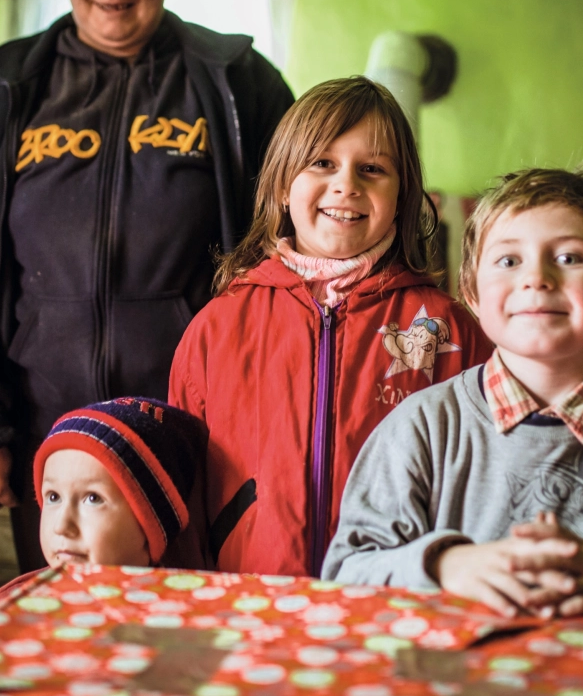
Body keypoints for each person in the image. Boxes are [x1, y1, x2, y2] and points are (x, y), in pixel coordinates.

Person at [0, 0, 294, 573]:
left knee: (186, 648)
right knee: (60, 651)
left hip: (194, 444)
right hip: (43, 447)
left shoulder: (241, 88)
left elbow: (284, 262)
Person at [322, 166, 583, 686]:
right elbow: (344, 582)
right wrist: (445, 565)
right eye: (508, 259)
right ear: (472, 293)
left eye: (569, 257)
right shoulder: (418, 430)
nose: (536, 278)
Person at [168, 76, 493, 577]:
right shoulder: (218, 327)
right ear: (281, 185)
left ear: (403, 195)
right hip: (252, 599)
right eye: (322, 163)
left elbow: (485, 479)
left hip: (396, 601)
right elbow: (182, 491)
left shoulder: (449, 330)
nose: (347, 184)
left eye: (372, 169)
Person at [0, 396, 205, 609]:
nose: (61, 526)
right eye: (53, 496)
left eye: (93, 498)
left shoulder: (179, 616)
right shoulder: (17, 608)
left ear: (152, 526)